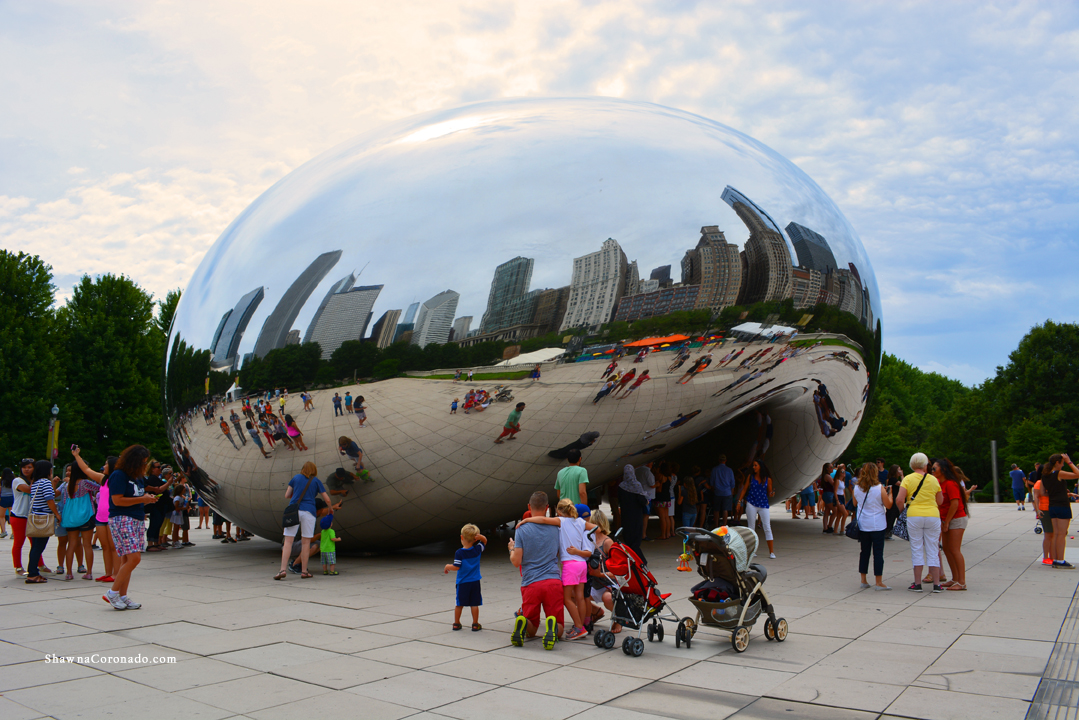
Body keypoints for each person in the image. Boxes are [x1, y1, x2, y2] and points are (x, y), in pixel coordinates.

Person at [508, 491, 564, 650]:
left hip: (531, 583)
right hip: (553, 581)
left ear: (528, 507)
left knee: (532, 626)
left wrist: (511, 549)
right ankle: (552, 626)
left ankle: (524, 622)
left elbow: (516, 561)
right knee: (558, 623)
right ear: (547, 507)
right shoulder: (556, 527)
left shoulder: (522, 529)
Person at [104, 445, 157, 608]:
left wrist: (147, 499)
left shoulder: (137, 476)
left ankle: (123, 595)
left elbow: (137, 496)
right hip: (122, 518)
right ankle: (112, 593)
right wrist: (142, 499)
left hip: (136, 518)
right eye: (143, 462)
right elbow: (117, 500)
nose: (144, 465)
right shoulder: (119, 475)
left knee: (127, 560)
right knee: (134, 558)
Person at [896, 452, 945, 592]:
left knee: (916, 548)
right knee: (933, 548)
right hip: (932, 515)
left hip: (914, 515)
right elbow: (940, 501)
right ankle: (937, 584)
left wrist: (902, 512)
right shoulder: (934, 480)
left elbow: (899, 499)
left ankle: (917, 584)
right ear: (925, 464)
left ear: (912, 464)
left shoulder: (907, 479)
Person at [274, 462, 331, 580]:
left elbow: (287, 495)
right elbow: (327, 498)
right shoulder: (316, 481)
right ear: (314, 470)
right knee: (306, 543)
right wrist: (330, 508)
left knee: (288, 541)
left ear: (303, 469)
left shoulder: (296, 478)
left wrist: (296, 495)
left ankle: (282, 570)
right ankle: (304, 571)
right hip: (309, 512)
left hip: (294, 511)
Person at [852, 462, 892, 590]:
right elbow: (888, 505)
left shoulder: (857, 487)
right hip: (877, 524)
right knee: (878, 553)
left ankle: (863, 580)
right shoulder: (879, 487)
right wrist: (889, 494)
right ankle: (879, 582)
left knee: (864, 552)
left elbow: (854, 503)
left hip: (863, 524)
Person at [59, 461, 101, 580]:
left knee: (71, 544)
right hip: (86, 516)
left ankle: (68, 572)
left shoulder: (67, 485)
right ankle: (89, 572)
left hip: (70, 517)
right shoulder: (85, 483)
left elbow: (65, 500)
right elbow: (99, 487)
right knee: (87, 544)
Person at [24, 460, 62, 584]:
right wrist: (57, 514)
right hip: (43, 518)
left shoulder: (35, 482)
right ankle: (33, 574)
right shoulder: (45, 482)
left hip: (35, 517)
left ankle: (33, 571)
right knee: (38, 547)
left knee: (35, 546)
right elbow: (50, 499)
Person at [934, 458, 969, 590]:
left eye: (934, 468)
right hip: (945, 519)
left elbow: (955, 504)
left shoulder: (950, 484)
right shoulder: (939, 483)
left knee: (954, 550)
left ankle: (961, 582)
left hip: (956, 519)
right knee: (947, 550)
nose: (932, 471)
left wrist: (947, 521)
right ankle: (955, 578)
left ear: (943, 470)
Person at [444, 523, 486, 631]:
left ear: (462, 537)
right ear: (475, 539)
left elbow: (456, 567)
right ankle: (475, 624)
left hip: (463, 582)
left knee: (459, 603)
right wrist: (481, 537)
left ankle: (456, 623)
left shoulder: (459, 553)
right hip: (475, 581)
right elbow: (484, 542)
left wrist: (448, 566)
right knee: (474, 603)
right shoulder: (477, 550)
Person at [1040, 453, 1079, 569]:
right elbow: (1077, 474)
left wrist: (1061, 494)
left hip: (1052, 506)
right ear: (1058, 462)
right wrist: (1069, 461)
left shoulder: (1045, 475)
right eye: (1062, 462)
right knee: (1062, 534)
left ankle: (1056, 559)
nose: (1063, 464)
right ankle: (1060, 560)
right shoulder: (1059, 473)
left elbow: (1043, 493)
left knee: (1056, 534)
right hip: (1062, 506)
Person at [11, 458, 48, 575]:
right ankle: (18, 567)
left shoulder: (36, 481)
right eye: (24, 467)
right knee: (19, 542)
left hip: (32, 515)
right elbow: (29, 490)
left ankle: (40, 564)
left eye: (30, 467)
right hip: (19, 515)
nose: (26, 469)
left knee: (35, 543)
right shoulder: (17, 480)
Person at [736, 460, 776, 559]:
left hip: (763, 504)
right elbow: (744, 489)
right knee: (751, 528)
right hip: (751, 503)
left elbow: (769, 492)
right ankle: (752, 551)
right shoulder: (750, 477)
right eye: (753, 465)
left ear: (760, 467)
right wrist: (739, 501)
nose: (753, 467)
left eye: (755, 465)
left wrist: (772, 494)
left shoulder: (768, 479)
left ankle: (771, 552)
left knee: (767, 527)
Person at [616, 464, 649, 563]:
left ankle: (631, 558)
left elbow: (620, 500)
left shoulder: (621, 486)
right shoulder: (637, 485)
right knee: (636, 538)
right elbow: (642, 501)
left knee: (629, 537)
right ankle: (641, 560)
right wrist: (646, 501)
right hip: (636, 516)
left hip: (626, 516)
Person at [1032, 475, 1054, 565]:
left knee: (1053, 535)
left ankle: (1052, 556)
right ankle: (1046, 557)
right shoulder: (1039, 483)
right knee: (1048, 534)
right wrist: (1037, 510)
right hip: (1045, 509)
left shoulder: (1053, 482)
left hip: (1054, 508)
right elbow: (1036, 497)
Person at [710, 455, 736, 527]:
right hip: (727, 492)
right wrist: (732, 491)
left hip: (717, 492)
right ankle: (724, 525)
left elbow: (712, 481)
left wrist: (713, 489)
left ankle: (716, 525)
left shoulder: (714, 470)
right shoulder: (729, 470)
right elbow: (732, 482)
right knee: (725, 510)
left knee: (716, 510)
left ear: (719, 460)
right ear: (726, 460)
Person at [0, 467, 12, 538]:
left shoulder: (2, 481)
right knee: (12, 516)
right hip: (12, 498)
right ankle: (13, 533)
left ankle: (3, 531)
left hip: (4, 498)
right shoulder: (14, 480)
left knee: (1, 516)